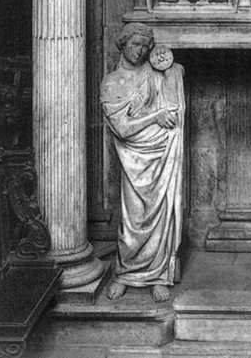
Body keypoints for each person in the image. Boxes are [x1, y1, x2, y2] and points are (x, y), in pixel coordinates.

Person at [100, 24, 185, 303]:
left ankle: (159, 275)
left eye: (144, 46)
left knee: (161, 214)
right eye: (134, 44)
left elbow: (174, 92)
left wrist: (170, 69)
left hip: (163, 153)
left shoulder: (155, 74)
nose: (139, 51)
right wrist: (155, 116)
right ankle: (126, 274)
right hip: (134, 157)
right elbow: (123, 129)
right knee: (133, 217)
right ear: (123, 44)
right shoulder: (111, 82)